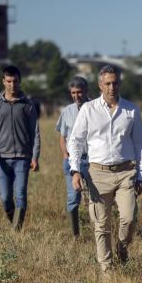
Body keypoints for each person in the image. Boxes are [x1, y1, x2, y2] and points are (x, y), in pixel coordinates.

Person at [68, 65, 142, 275]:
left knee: (129, 219)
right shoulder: (89, 109)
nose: (112, 87)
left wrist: (141, 174)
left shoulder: (131, 110)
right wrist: (75, 170)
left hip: (126, 172)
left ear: (120, 84)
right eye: (107, 83)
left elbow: (141, 144)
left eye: (115, 83)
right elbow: (75, 141)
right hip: (98, 173)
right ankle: (107, 270)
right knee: (101, 225)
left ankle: (122, 248)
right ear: (100, 85)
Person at [0, 65, 40, 231]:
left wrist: (35, 157)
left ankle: (17, 232)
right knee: (6, 198)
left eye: (15, 81)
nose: (12, 84)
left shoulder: (27, 105)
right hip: (2, 159)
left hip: (23, 157)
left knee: (20, 194)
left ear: (20, 82)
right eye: (8, 81)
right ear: (3, 81)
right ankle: (16, 225)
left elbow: (35, 133)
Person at [56, 76, 91, 239]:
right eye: (73, 93)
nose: (77, 95)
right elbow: (63, 137)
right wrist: (65, 155)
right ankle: (75, 235)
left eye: (79, 92)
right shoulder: (67, 111)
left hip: (92, 160)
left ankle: (97, 230)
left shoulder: (95, 107)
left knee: (96, 198)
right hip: (72, 161)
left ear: (86, 91)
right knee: (73, 197)